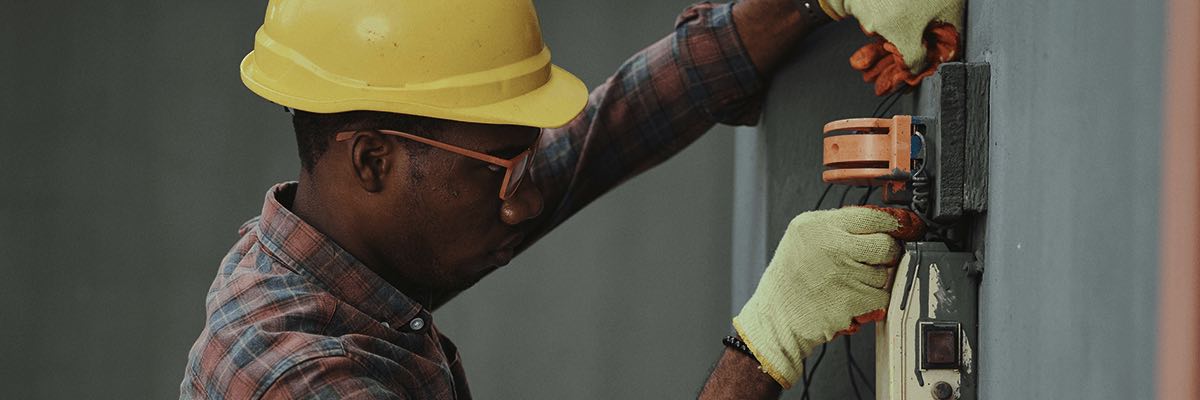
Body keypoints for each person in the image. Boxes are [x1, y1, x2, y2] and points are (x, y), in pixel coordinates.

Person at [180, 0, 962, 398]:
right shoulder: (308, 381)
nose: (522, 204)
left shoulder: (332, 249)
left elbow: (608, 128)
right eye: (498, 171)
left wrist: (806, 2)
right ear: (375, 160)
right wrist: (761, 349)